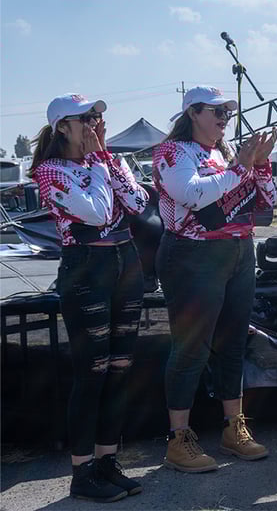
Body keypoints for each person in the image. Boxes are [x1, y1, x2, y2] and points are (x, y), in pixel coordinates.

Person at [30, 94, 149, 502]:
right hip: (86, 268)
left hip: (125, 262)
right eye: (85, 119)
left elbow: (138, 202)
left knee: (120, 368)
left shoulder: (108, 160)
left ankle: (106, 461)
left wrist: (106, 159)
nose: (95, 125)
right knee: (92, 370)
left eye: (97, 118)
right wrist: (101, 162)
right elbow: (96, 213)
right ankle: (82, 472)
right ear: (62, 127)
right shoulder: (50, 171)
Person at [154, 86, 277, 473]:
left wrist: (261, 165)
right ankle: (178, 438)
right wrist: (240, 167)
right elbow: (192, 195)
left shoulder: (226, 153)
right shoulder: (172, 151)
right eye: (216, 111)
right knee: (191, 347)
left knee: (233, 343)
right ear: (192, 113)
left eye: (228, 112)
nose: (225, 118)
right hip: (192, 254)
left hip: (238, 250)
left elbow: (267, 202)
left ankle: (233, 427)